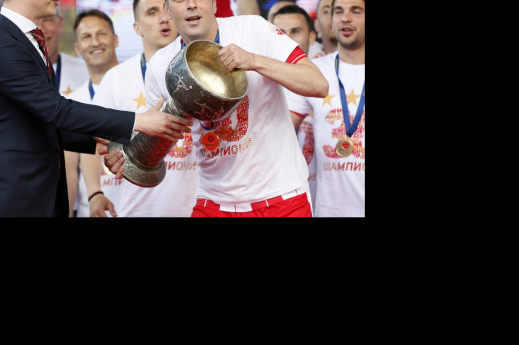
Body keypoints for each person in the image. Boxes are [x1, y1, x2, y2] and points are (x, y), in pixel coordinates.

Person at [0, 0, 191, 217]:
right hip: (12, 197)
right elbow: (56, 111)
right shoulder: (0, 44)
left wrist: (101, 141)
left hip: (36, 196)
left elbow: (38, 123)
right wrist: (138, 121)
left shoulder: (22, 39)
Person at [107, 0, 328, 217]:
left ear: (214, 4)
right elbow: (157, 130)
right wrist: (127, 154)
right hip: (213, 201)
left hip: (281, 197)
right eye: (180, 0)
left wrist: (254, 61)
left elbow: (318, 84)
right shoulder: (160, 64)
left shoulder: (252, 29)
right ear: (167, 9)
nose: (191, 4)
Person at [91, 0, 196, 217]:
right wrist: (94, 192)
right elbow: (94, 142)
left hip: (196, 207)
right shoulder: (116, 78)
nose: (164, 18)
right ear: (137, 28)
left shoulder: (199, 69)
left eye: (167, 10)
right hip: (137, 210)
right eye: (152, 12)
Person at [286, 0, 363, 217]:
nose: (345, 18)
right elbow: (278, 128)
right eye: (338, 11)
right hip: (328, 211)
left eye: (356, 11)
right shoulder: (315, 70)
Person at [63, 8, 122, 217]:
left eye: (101, 34)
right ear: (77, 48)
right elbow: (69, 172)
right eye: (86, 37)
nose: (95, 42)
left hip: (142, 209)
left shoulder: (141, 85)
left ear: (115, 39)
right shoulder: (71, 103)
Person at [273, 3, 316, 200]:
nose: (287, 39)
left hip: (318, 193)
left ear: (312, 37)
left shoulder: (326, 78)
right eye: (280, 33)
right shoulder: (250, 82)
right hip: (270, 192)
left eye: (295, 32)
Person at [37, 6, 89, 96]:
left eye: (47, 19)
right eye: (33, 22)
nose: (41, 29)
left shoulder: (86, 72)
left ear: (60, 23)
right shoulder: (12, 75)